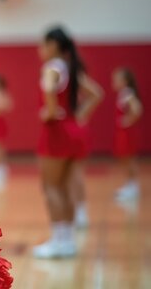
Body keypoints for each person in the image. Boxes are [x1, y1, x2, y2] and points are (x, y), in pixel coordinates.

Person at [33, 26, 103, 258]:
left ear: (53, 44)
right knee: (64, 187)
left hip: (57, 131)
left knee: (51, 187)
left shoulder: (51, 67)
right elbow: (97, 93)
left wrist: (50, 111)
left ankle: (58, 242)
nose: (39, 49)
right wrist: (79, 116)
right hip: (73, 129)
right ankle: (68, 241)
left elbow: (51, 91)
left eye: (43, 44)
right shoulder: (70, 68)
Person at [69, 67, 103, 228]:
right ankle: (78, 211)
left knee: (75, 173)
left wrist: (81, 115)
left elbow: (97, 94)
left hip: (73, 130)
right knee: (71, 175)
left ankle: (81, 212)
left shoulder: (73, 74)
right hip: (70, 130)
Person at [112, 67, 143, 202]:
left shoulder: (127, 93)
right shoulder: (123, 93)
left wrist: (128, 120)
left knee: (129, 158)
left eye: (116, 79)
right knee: (125, 158)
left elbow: (137, 109)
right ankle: (129, 185)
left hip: (127, 132)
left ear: (124, 81)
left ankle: (133, 186)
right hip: (123, 131)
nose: (113, 82)